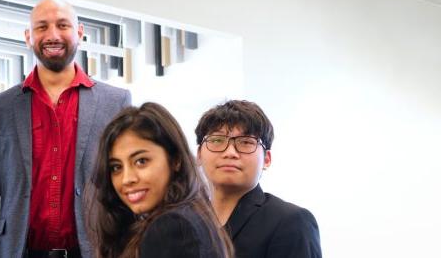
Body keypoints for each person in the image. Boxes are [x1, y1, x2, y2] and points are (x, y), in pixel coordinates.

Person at [0, 0, 131, 258]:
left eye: (62, 25)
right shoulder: (1, 106)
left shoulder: (116, 102)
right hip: (19, 252)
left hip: (94, 251)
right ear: (28, 37)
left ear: (79, 33)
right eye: (42, 27)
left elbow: (129, 189)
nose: (52, 35)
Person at [88, 102, 233, 258]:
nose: (127, 179)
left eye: (141, 161)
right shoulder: (192, 212)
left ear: (175, 160)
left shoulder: (171, 227)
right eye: (116, 167)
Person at [195, 100, 322, 258]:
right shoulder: (183, 222)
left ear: (267, 159)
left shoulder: (291, 222)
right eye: (217, 140)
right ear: (199, 154)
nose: (230, 153)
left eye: (246, 142)